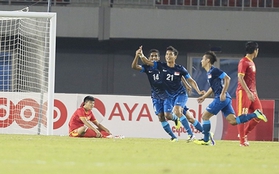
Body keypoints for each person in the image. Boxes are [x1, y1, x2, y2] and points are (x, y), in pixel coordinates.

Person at [194, 51, 267, 146]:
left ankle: (206, 139)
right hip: (225, 98)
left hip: (221, 98)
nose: (201, 61)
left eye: (203, 59)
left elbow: (227, 78)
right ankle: (255, 114)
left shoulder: (214, 70)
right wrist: (204, 97)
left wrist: (223, 93)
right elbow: (213, 87)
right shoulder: (209, 73)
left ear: (207, 60)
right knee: (233, 121)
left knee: (205, 116)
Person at [139, 46, 204, 142]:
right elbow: (148, 62)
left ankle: (191, 135)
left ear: (175, 56)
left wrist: (198, 91)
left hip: (180, 94)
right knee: (189, 118)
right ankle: (206, 133)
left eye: (170, 54)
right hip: (169, 97)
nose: (168, 56)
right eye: (167, 54)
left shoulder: (180, 69)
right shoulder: (161, 66)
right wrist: (141, 55)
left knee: (177, 111)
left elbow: (190, 79)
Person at [132, 47, 180, 142]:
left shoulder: (162, 66)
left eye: (156, 56)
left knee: (168, 115)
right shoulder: (147, 68)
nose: (154, 57)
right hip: (155, 96)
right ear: (149, 58)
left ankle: (175, 119)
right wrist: (137, 56)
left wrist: (141, 55)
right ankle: (173, 137)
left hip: (167, 95)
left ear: (159, 58)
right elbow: (134, 67)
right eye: (152, 56)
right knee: (160, 116)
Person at [236, 41, 267, 146]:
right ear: (255, 50)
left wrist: (255, 93)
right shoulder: (243, 61)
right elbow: (240, 77)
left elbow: (252, 81)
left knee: (260, 114)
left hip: (252, 92)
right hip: (243, 92)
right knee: (242, 115)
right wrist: (248, 92)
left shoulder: (251, 62)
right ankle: (242, 142)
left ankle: (243, 134)